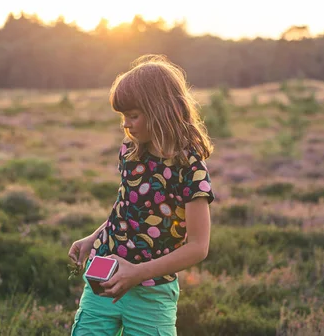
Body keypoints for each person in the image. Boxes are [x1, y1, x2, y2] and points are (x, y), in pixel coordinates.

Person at [68, 54, 215, 336]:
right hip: (104, 277)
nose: (126, 125)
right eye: (123, 117)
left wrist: (138, 272)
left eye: (133, 116)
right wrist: (94, 237)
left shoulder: (189, 167)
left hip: (151, 294)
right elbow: (128, 208)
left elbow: (198, 246)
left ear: (160, 110)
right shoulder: (131, 151)